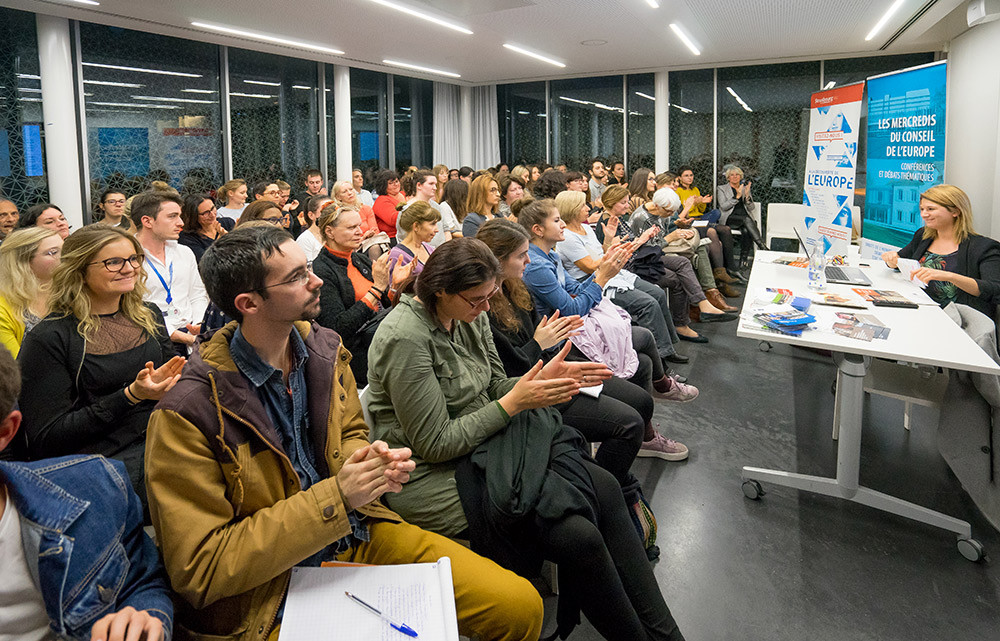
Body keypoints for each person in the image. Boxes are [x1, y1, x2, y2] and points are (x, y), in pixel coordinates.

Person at [145, 225, 543, 641]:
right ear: (249, 303)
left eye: (307, 268)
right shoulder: (187, 414)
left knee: (519, 607)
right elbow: (202, 570)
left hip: (355, 531)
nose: (317, 279)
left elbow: (350, 428)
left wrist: (368, 461)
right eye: (298, 277)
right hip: (265, 588)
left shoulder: (322, 350)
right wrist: (337, 497)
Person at [367, 237, 687, 641]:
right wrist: (514, 403)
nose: (487, 308)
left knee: (603, 486)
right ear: (440, 291)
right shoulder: (405, 337)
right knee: (579, 534)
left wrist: (538, 380)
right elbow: (434, 444)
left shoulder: (469, 313)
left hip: (488, 444)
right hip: (431, 474)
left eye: (490, 297)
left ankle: (666, 635)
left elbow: (495, 383)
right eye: (477, 300)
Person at [478, 218, 686, 548]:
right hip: (535, 387)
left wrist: (550, 349)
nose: (528, 261)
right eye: (521, 256)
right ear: (498, 261)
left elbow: (546, 331)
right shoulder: (485, 306)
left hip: (549, 367)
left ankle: (611, 486)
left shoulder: (516, 288)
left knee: (641, 399)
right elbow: (508, 371)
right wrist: (540, 344)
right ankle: (607, 494)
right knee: (629, 422)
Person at [0, 347, 174, 641]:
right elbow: (51, 433)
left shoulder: (98, 493)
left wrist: (145, 620)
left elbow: (140, 585)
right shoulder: (50, 340)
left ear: (6, 431)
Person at [18, 225, 184, 512]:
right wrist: (130, 396)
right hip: (100, 463)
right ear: (80, 271)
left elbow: (174, 382)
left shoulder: (148, 315)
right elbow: (46, 438)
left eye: (134, 259)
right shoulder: (50, 337)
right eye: (114, 262)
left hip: (160, 440)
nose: (129, 268)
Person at [521, 198, 699, 403]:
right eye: (556, 220)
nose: (562, 225)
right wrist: (603, 276)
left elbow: (577, 289)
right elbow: (572, 309)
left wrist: (604, 267)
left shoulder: (551, 256)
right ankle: (662, 386)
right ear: (538, 229)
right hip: (560, 340)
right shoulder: (537, 266)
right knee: (644, 333)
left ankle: (656, 401)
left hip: (572, 326)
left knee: (643, 360)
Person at [555, 190, 687, 365]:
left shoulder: (585, 228)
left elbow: (600, 253)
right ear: (572, 209)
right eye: (582, 206)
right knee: (648, 304)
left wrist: (609, 240)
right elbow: (589, 266)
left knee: (658, 295)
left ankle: (666, 347)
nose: (588, 208)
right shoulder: (568, 238)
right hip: (590, 280)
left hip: (610, 272)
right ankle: (660, 358)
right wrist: (620, 248)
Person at [597, 185, 733, 339]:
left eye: (627, 202)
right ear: (611, 202)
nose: (628, 206)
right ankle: (681, 323)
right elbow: (625, 251)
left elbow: (637, 245)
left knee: (684, 261)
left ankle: (702, 304)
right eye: (623, 202)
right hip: (637, 264)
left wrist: (668, 230)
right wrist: (666, 237)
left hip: (644, 257)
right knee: (678, 277)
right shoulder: (619, 221)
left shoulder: (618, 219)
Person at [314, 205, 412, 386]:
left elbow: (384, 306)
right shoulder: (322, 270)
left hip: (380, 339)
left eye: (359, 226)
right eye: (352, 228)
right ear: (330, 231)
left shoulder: (358, 259)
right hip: (356, 355)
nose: (360, 232)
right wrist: (377, 289)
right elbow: (338, 328)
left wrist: (394, 287)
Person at [881, 184, 1000, 317]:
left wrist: (948, 276)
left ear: (955, 211)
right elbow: (900, 260)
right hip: (919, 311)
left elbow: (995, 290)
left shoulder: (984, 247)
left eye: (931, 209)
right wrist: (891, 260)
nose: (924, 215)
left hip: (958, 322)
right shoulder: (923, 236)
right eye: (922, 209)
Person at [631, 187, 738, 314]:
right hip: (649, 255)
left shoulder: (661, 211)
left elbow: (663, 231)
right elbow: (646, 249)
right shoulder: (641, 218)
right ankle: (706, 296)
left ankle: (710, 292)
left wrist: (680, 226)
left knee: (701, 246)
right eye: (669, 212)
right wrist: (671, 237)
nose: (671, 215)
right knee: (688, 258)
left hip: (662, 247)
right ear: (657, 205)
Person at [132, 191, 209, 356]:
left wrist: (199, 323)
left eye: (179, 216)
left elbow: (197, 294)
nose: (180, 223)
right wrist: (181, 336)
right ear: (147, 221)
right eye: (172, 216)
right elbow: (134, 309)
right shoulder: (128, 258)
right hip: (153, 341)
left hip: (194, 335)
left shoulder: (184, 252)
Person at [0, 228, 62, 357]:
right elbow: (16, 368)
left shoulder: (71, 292)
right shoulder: (4, 308)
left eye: (64, 249)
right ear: (22, 262)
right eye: (53, 252)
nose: (63, 256)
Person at [716, 166, 767, 264]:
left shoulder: (744, 188)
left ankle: (743, 261)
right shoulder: (721, 189)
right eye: (732, 175)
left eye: (737, 175)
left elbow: (751, 208)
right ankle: (762, 245)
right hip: (730, 218)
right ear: (728, 178)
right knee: (746, 219)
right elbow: (723, 206)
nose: (735, 177)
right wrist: (736, 197)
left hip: (744, 219)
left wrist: (747, 196)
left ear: (741, 176)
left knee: (746, 230)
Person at [388, 201, 439, 277]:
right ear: (416, 226)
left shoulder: (430, 249)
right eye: (432, 224)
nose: (437, 229)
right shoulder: (397, 256)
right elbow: (394, 286)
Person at [179, 192, 227, 263]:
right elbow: (206, 263)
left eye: (213, 208)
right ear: (194, 216)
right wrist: (221, 240)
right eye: (205, 213)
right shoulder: (186, 238)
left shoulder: (227, 222)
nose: (212, 215)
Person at [295, 193, 334, 260]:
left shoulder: (334, 235)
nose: (330, 214)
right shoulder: (305, 239)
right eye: (324, 211)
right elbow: (307, 268)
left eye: (333, 210)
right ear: (311, 215)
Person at [371, 169, 405, 240]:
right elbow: (393, 220)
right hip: (393, 238)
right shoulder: (381, 200)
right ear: (383, 186)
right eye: (391, 183)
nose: (395, 184)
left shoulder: (404, 194)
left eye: (396, 181)